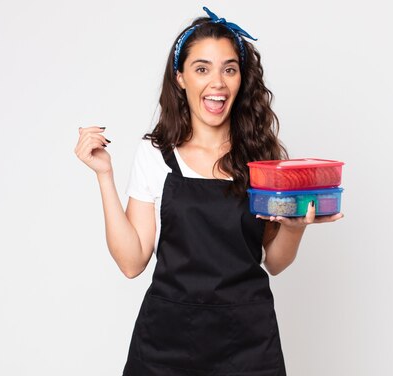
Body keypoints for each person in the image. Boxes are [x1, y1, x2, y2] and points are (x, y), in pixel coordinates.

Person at [74, 6, 343, 375]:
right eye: (202, 68)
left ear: (240, 78)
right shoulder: (155, 154)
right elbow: (132, 261)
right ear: (181, 77)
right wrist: (104, 175)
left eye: (228, 69)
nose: (217, 82)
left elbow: (275, 262)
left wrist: (295, 226)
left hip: (248, 343)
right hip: (165, 344)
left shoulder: (260, 159)